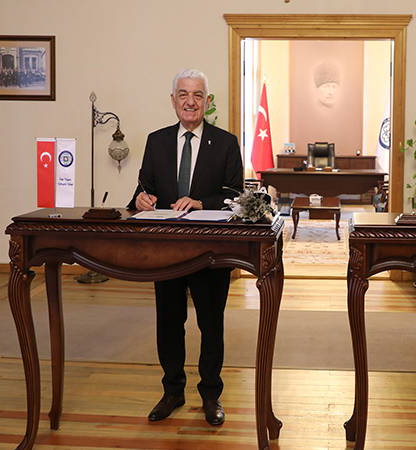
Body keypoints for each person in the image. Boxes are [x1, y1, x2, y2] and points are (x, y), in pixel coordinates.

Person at [128, 69, 244, 426]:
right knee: (168, 323)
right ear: (173, 100)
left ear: (206, 102)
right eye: (183, 94)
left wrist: (200, 203)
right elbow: (142, 189)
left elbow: (235, 197)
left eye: (197, 95)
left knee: (211, 324)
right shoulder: (157, 141)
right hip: (165, 251)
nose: (190, 101)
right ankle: (172, 392)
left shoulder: (225, 143)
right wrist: (141, 199)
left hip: (211, 252)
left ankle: (211, 395)